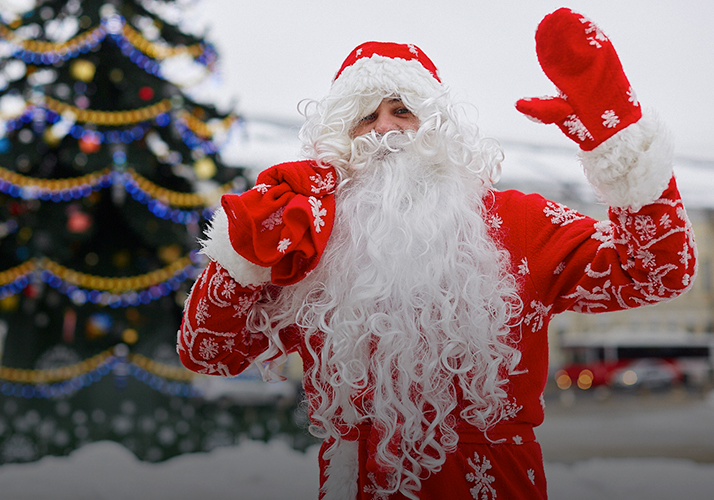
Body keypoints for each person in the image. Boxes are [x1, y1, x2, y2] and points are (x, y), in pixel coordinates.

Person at [177, 8, 696, 500]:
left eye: (403, 110)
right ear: (340, 138)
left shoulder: (519, 223)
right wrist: (240, 255)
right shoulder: (313, 247)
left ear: (438, 129)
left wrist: (618, 140)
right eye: (364, 118)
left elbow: (658, 272)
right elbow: (208, 353)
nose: (385, 128)